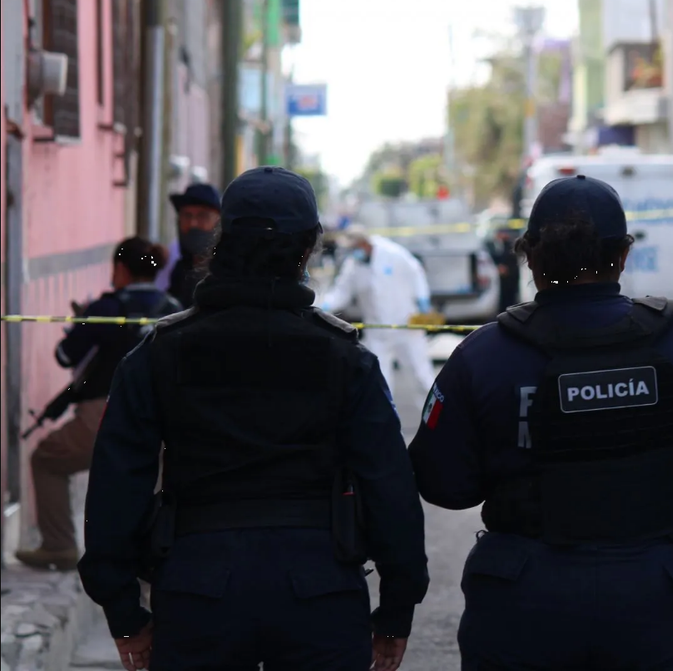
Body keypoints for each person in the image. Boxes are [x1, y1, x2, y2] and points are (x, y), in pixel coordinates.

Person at [77, 168, 430, 671]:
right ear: (307, 249)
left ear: (220, 242)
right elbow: (390, 486)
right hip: (320, 594)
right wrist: (396, 610)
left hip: (198, 593)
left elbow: (116, 484)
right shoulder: (346, 359)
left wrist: (124, 612)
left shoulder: (159, 354)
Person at [409, 174, 673, 670]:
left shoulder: (482, 354)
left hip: (524, 599)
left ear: (530, 256)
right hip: (655, 596)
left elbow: (443, 482)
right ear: (622, 254)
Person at [15, 239, 181, 571]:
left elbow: (65, 356)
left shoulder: (105, 308)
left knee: (46, 459)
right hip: (163, 423)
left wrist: (83, 323)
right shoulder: (174, 310)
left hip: (104, 415)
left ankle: (58, 545)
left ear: (120, 269)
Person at [319, 228, 437, 412]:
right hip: (377, 332)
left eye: (354, 248)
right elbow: (342, 291)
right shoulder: (354, 265)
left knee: (421, 374)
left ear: (364, 244)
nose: (352, 252)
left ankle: (435, 416)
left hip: (406, 326)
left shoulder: (393, 253)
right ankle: (387, 423)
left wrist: (423, 299)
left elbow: (416, 272)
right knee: (379, 382)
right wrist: (325, 306)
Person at [155, 182, 221, 308]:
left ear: (219, 222)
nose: (193, 224)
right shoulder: (179, 270)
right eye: (187, 216)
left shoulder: (227, 271)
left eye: (203, 216)